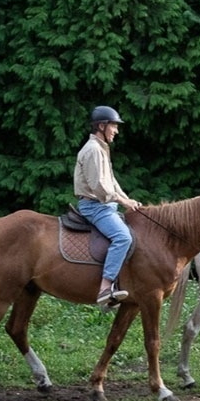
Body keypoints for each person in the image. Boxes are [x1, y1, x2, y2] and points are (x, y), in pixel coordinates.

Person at [74, 105, 142, 307]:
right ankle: (105, 287)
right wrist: (122, 201)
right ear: (101, 126)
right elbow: (100, 187)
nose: (116, 130)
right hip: (95, 207)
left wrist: (128, 199)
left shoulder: (101, 148)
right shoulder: (94, 150)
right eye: (114, 126)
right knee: (123, 237)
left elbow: (112, 182)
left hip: (105, 205)